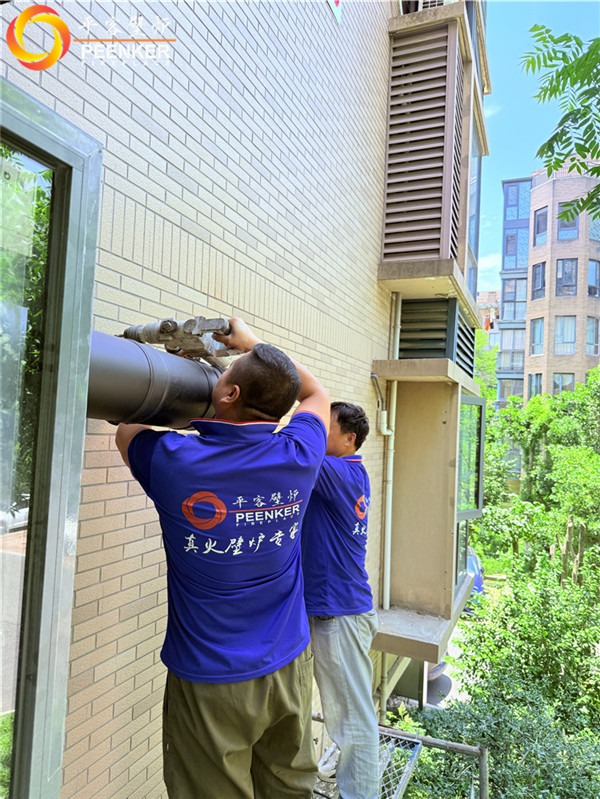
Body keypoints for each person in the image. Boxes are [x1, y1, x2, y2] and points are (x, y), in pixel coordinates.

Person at [115, 318, 329, 799]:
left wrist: (182, 387)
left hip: (211, 679)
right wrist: (255, 345)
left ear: (229, 394)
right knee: (291, 788)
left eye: (228, 370)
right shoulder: (300, 453)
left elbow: (127, 428)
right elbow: (315, 393)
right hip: (290, 664)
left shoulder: (176, 460)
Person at [301, 401, 379, 799]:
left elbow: (295, 445)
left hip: (340, 614)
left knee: (353, 723)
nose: (315, 431)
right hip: (336, 610)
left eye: (323, 425)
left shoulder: (339, 472)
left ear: (349, 439)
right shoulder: (345, 473)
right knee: (346, 716)